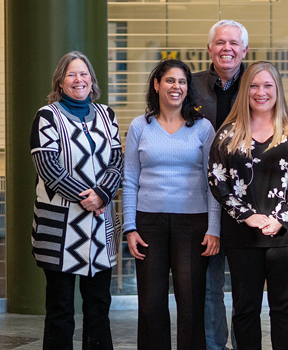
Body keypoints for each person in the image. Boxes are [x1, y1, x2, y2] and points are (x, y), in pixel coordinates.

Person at [208, 61, 288, 350]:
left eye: (268, 85)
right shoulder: (228, 134)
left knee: (283, 310)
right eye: (254, 86)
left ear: (277, 89)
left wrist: (280, 218)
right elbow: (217, 180)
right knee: (245, 310)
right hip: (243, 236)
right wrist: (247, 216)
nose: (261, 92)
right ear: (245, 91)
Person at [123, 59, 221, 349]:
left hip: (192, 224)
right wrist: (130, 227)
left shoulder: (203, 128)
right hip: (148, 223)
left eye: (182, 82)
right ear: (156, 84)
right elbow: (129, 179)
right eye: (169, 80)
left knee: (191, 303)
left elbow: (213, 182)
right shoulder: (140, 127)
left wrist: (214, 228)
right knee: (151, 304)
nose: (176, 87)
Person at [30, 50, 123, 349]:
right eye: (71, 74)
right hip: (60, 230)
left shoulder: (108, 115)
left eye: (84, 74)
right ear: (60, 81)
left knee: (99, 306)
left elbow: (117, 162)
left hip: (100, 229)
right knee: (60, 309)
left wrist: (102, 194)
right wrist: (88, 198)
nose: (78, 79)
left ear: (93, 80)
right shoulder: (47, 116)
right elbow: (48, 168)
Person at [192, 19, 249, 350]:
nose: (226, 48)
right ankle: (214, 346)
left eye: (233, 43)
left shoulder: (258, 83)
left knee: (245, 284)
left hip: (247, 200)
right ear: (209, 49)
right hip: (202, 200)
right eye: (220, 42)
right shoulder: (193, 85)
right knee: (210, 285)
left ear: (244, 50)